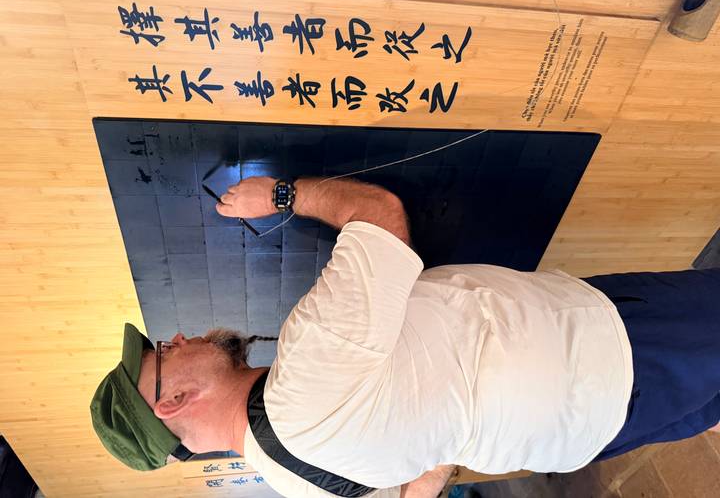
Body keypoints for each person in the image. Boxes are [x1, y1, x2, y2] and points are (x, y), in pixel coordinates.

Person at [91, 176, 720, 498]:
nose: (174, 338)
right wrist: (282, 193)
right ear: (171, 403)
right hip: (610, 349)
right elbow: (380, 216)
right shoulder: (305, 369)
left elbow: (416, 487)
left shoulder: (291, 483)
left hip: (586, 430)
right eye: (163, 354)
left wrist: (440, 424)